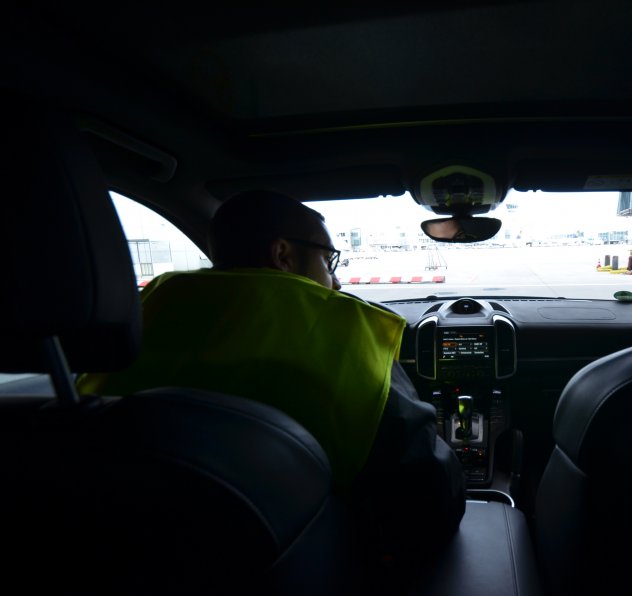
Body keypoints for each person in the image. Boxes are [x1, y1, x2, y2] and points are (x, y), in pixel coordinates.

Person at [76, 189, 466, 581]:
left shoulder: (142, 324)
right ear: (283, 255)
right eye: (328, 260)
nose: (336, 282)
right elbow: (429, 503)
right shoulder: (345, 334)